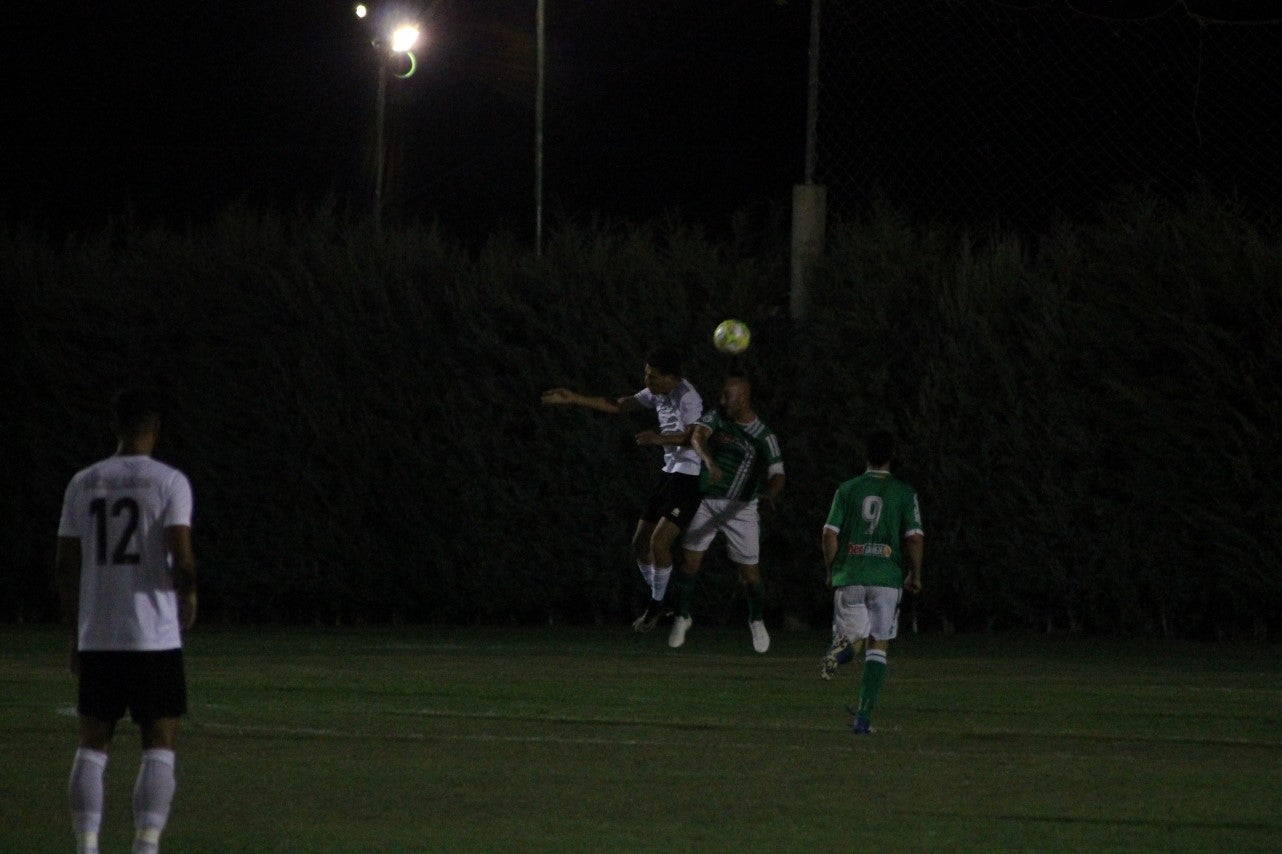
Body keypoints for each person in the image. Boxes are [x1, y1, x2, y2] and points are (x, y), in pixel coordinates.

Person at [54, 388, 198, 854]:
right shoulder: (169, 481)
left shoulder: (83, 482)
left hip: (99, 634)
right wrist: (188, 592)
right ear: (154, 429)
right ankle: (145, 846)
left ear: (115, 428)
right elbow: (182, 555)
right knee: (159, 743)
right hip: (153, 636)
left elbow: (65, 564)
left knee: (92, 746)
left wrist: (76, 631)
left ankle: (87, 846)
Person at [541, 347, 704, 632]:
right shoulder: (656, 392)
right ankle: (662, 600)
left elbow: (696, 438)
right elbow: (619, 405)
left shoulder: (688, 397)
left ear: (671, 378)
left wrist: (658, 439)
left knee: (659, 544)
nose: (648, 381)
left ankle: (657, 606)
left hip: (689, 477)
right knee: (639, 543)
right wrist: (574, 398)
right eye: (646, 375)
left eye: (653, 377)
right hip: (669, 474)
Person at [667, 376, 784, 653]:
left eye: (726, 397)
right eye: (721, 396)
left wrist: (770, 494)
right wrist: (708, 460)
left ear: (743, 399)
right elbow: (697, 435)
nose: (721, 401)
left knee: (750, 575)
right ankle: (682, 617)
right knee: (688, 563)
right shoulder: (717, 416)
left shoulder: (763, 435)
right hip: (707, 501)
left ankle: (756, 620)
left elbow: (778, 473)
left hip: (741, 508)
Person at [821, 429, 923, 734]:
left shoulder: (847, 489)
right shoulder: (905, 493)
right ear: (892, 457)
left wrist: (831, 570)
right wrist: (915, 574)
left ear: (866, 456)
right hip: (886, 580)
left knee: (853, 640)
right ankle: (863, 719)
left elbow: (829, 534)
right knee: (878, 645)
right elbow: (915, 538)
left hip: (850, 575)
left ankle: (837, 654)